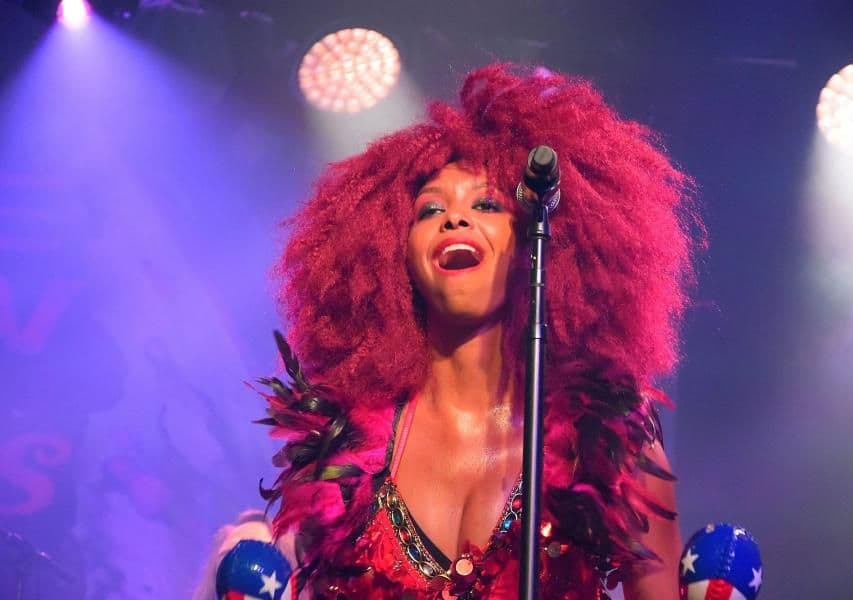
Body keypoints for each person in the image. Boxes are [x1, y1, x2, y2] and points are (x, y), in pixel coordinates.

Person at [252, 63, 700, 599]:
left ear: (537, 244)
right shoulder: (338, 451)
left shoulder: (607, 440)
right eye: (430, 210)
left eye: (486, 204)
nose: (454, 220)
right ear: (392, 256)